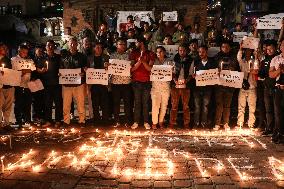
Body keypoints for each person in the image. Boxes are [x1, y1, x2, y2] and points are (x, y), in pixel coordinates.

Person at [60, 37, 87, 126]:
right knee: (66, 104)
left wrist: (83, 73)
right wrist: (60, 74)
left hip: (79, 84)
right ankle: (66, 120)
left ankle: (82, 120)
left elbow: (85, 68)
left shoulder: (82, 56)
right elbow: (60, 68)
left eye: (74, 44)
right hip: (66, 84)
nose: (72, 45)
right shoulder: (63, 56)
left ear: (77, 45)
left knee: (80, 103)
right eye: (71, 44)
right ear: (68, 44)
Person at [213, 41, 239, 131]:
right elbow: (212, 70)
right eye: (223, 46)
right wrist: (217, 71)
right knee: (219, 104)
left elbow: (238, 70)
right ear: (221, 48)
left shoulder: (234, 57)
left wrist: (233, 69)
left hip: (230, 85)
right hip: (219, 85)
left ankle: (226, 123)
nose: (225, 48)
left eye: (227, 47)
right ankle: (217, 123)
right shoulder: (216, 57)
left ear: (230, 48)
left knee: (227, 105)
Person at [130, 37, 155, 130]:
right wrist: (139, 62)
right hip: (136, 81)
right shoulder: (133, 53)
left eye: (137, 41)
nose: (135, 43)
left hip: (146, 82)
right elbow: (131, 69)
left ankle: (146, 121)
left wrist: (144, 62)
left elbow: (150, 69)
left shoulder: (151, 54)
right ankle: (136, 121)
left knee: (145, 103)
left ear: (141, 43)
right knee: (137, 102)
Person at [190, 45, 217, 128]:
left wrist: (216, 74)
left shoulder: (212, 62)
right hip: (197, 88)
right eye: (199, 52)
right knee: (197, 106)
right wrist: (193, 76)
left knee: (205, 106)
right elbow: (191, 73)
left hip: (208, 88)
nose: (201, 53)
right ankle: (196, 123)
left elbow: (215, 74)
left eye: (203, 52)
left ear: (206, 52)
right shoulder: (195, 61)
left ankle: (203, 123)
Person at [38, 40, 63, 127]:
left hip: (57, 84)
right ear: (46, 47)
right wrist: (41, 71)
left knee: (58, 103)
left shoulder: (58, 57)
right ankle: (48, 120)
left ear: (54, 47)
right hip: (46, 84)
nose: (50, 47)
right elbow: (37, 68)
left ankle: (58, 120)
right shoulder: (42, 57)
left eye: (52, 46)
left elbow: (62, 67)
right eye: (48, 45)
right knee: (47, 103)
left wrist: (61, 73)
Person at [109, 38, 133, 128]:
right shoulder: (112, 56)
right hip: (115, 83)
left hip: (126, 83)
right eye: (120, 44)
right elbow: (110, 69)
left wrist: (132, 63)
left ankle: (127, 121)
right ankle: (117, 121)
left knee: (127, 103)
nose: (122, 46)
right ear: (116, 45)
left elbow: (131, 67)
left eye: (124, 44)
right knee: (116, 103)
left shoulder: (128, 56)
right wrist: (108, 66)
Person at [169, 44, 192, 129]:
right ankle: (172, 122)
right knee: (174, 105)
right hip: (175, 86)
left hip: (186, 86)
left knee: (186, 106)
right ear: (178, 51)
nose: (182, 52)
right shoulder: (174, 60)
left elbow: (190, 73)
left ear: (186, 51)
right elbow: (171, 72)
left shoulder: (190, 60)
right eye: (180, 50)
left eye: (183, 51)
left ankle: (186, 123)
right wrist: (175, 80)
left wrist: (186, 81)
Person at [12, 44, 35, 128]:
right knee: (18, 103)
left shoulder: (29, 61)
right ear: (19, 51)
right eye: (23, 52)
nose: (25, 54)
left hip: (27, 85)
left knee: (28, 103)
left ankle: (27, 120)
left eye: (26, 52)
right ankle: (18, 121)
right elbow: (12, 72)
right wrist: (21, 72)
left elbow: (33, 70)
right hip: (18, 85)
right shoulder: (14, 60)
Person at [236, 43, 259, 129]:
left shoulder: (254, 62)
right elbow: (238, 57)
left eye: (249, 51)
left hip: (252, 86)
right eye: (246, 51)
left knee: (252, 107)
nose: (248, 52)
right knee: (241, 106)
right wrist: (240, 48)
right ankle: (240, 123)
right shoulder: (242, 61)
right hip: (243, 86)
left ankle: (251, 123)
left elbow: (256, 68)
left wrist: (256, 56)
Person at [151, 46, 174, 129]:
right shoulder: (153, 61)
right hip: (155, 87)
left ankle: (161, 122)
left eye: (160, 51)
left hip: (165, 87)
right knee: (155, 105)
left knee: (164, 106)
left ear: (164, 52)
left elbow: (173, 72)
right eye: (157, 52)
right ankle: (154, 123)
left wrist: (172, 70)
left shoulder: (169, 62)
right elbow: (150, 69)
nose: (158, 53)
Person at [258, 40, 278, 135]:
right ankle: (269, 128)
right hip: (266, 87)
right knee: (268, 110)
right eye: (267, 49)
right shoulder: (264, 60)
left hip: (276, 88)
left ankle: (277, 129)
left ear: (275, 48)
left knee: (277, 110)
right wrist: (259, 71)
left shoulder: (278, 59)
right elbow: (261, 74)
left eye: (271, 49)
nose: (269, 51)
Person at [89, 42, 110, 125]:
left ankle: (105, 120)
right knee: (95, 103)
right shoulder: (89, 58)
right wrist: (86, 69)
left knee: (104, 103)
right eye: (97, 47)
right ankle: (96, 120)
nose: (99, 49)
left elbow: (111, 69)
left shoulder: (107, 57)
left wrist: (108, 66)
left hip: (103, 84)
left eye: (101, 48)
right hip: (94, 84)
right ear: (94, 48)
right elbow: (87, 69)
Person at [269, 39, 284, 144]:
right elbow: (271, 75)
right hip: (278, 89)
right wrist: (279, 70)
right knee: (278, 113)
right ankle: (279, 133)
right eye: (283, 45)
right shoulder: (275, 59)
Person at [0, 43, 14, 131]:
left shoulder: (8, 60)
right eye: (1, 49)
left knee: (8, 106)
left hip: (9, 85)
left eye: (4, 49)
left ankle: (6, 123)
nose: (3, 50)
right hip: (0, 86)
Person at [32, 45, 45, 124]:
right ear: (35, 51)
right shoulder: (32, 60)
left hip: (43, 82)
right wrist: (37, 69)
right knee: (35, 100)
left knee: (43, 100)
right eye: (38, 50)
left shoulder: (44, 59)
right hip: (35, 82)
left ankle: (42, 116)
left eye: (41, 51)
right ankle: (35, 117)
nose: (39, 52)